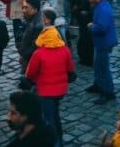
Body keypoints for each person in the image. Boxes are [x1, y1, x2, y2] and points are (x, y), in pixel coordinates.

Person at [25, 8, 76, 147]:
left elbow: (29, 74)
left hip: (45, 91)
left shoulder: (39, 53)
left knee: (48, 119)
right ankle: (60, 140)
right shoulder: (65, 50)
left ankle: (55, 143)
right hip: (60, 90)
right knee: (56, 115)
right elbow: (71, 70)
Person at [87, 0, 118, 104]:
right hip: (101, 42)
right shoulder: (100, 6)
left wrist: (91, 27)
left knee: (103, 68)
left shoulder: (103, 9)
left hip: (104, 43)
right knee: (97, 65)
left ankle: (108, 91)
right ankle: (98, 84)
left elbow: (102, 27)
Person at [18, 0, 43, 71]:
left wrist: (23, 54)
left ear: (35, 10)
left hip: (31, 61)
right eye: (23, 7)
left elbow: (35, 47)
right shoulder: (31, 19)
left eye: (26, 8)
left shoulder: (38, 25)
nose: (23, 10)